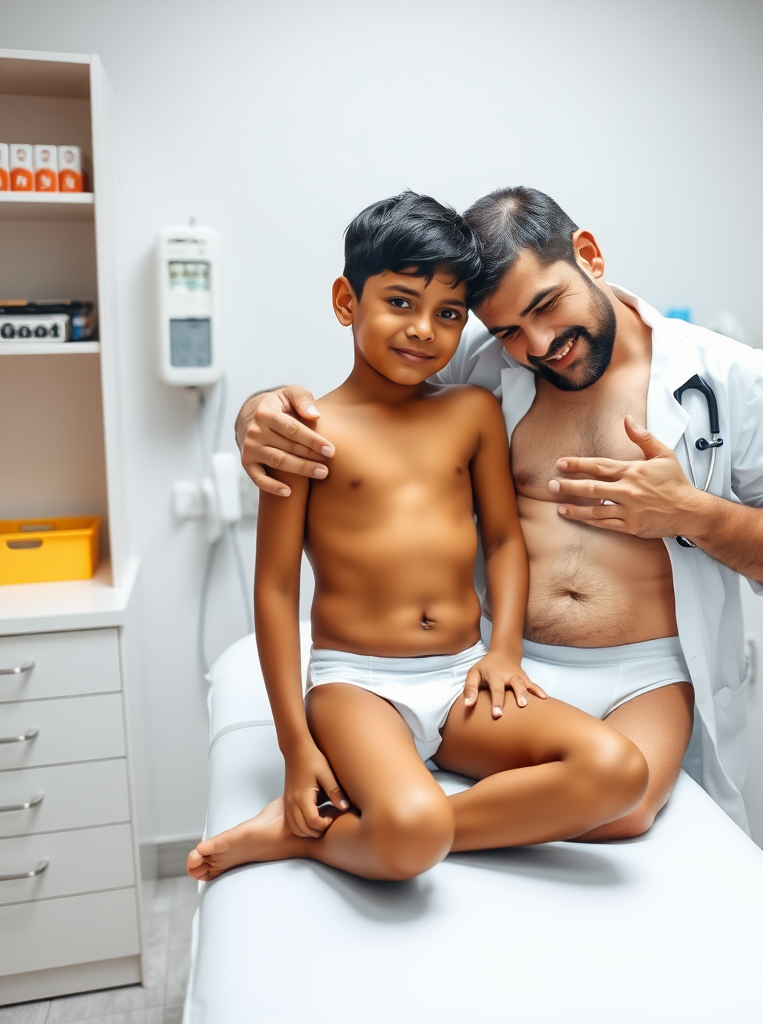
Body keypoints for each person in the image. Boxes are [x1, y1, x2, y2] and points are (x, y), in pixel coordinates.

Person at [235, 187, 763, 836]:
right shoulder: (484, 369)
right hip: (509, 668)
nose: (538, 345)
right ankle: (400, 830)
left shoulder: (724, 373)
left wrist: (693, 513)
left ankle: (398, 832)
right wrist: (259, 412)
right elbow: (380, 415)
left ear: (589, 255)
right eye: (507, 328)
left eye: (547, 305)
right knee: (594, 792)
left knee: (629, 804)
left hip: (650, 670)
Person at [188, 193, 648, 882]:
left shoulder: (472, 412)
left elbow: (502, 540)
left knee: (618, 772)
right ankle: (333, 833)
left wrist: (504, 652)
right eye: (399, 302)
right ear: (347, 301)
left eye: (449, 314)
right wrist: (297, 747)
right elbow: (277, 589)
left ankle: (338, 833)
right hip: (360, 688)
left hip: (462, 677)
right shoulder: (306, 431)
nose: (423, 330)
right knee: (413, 834)